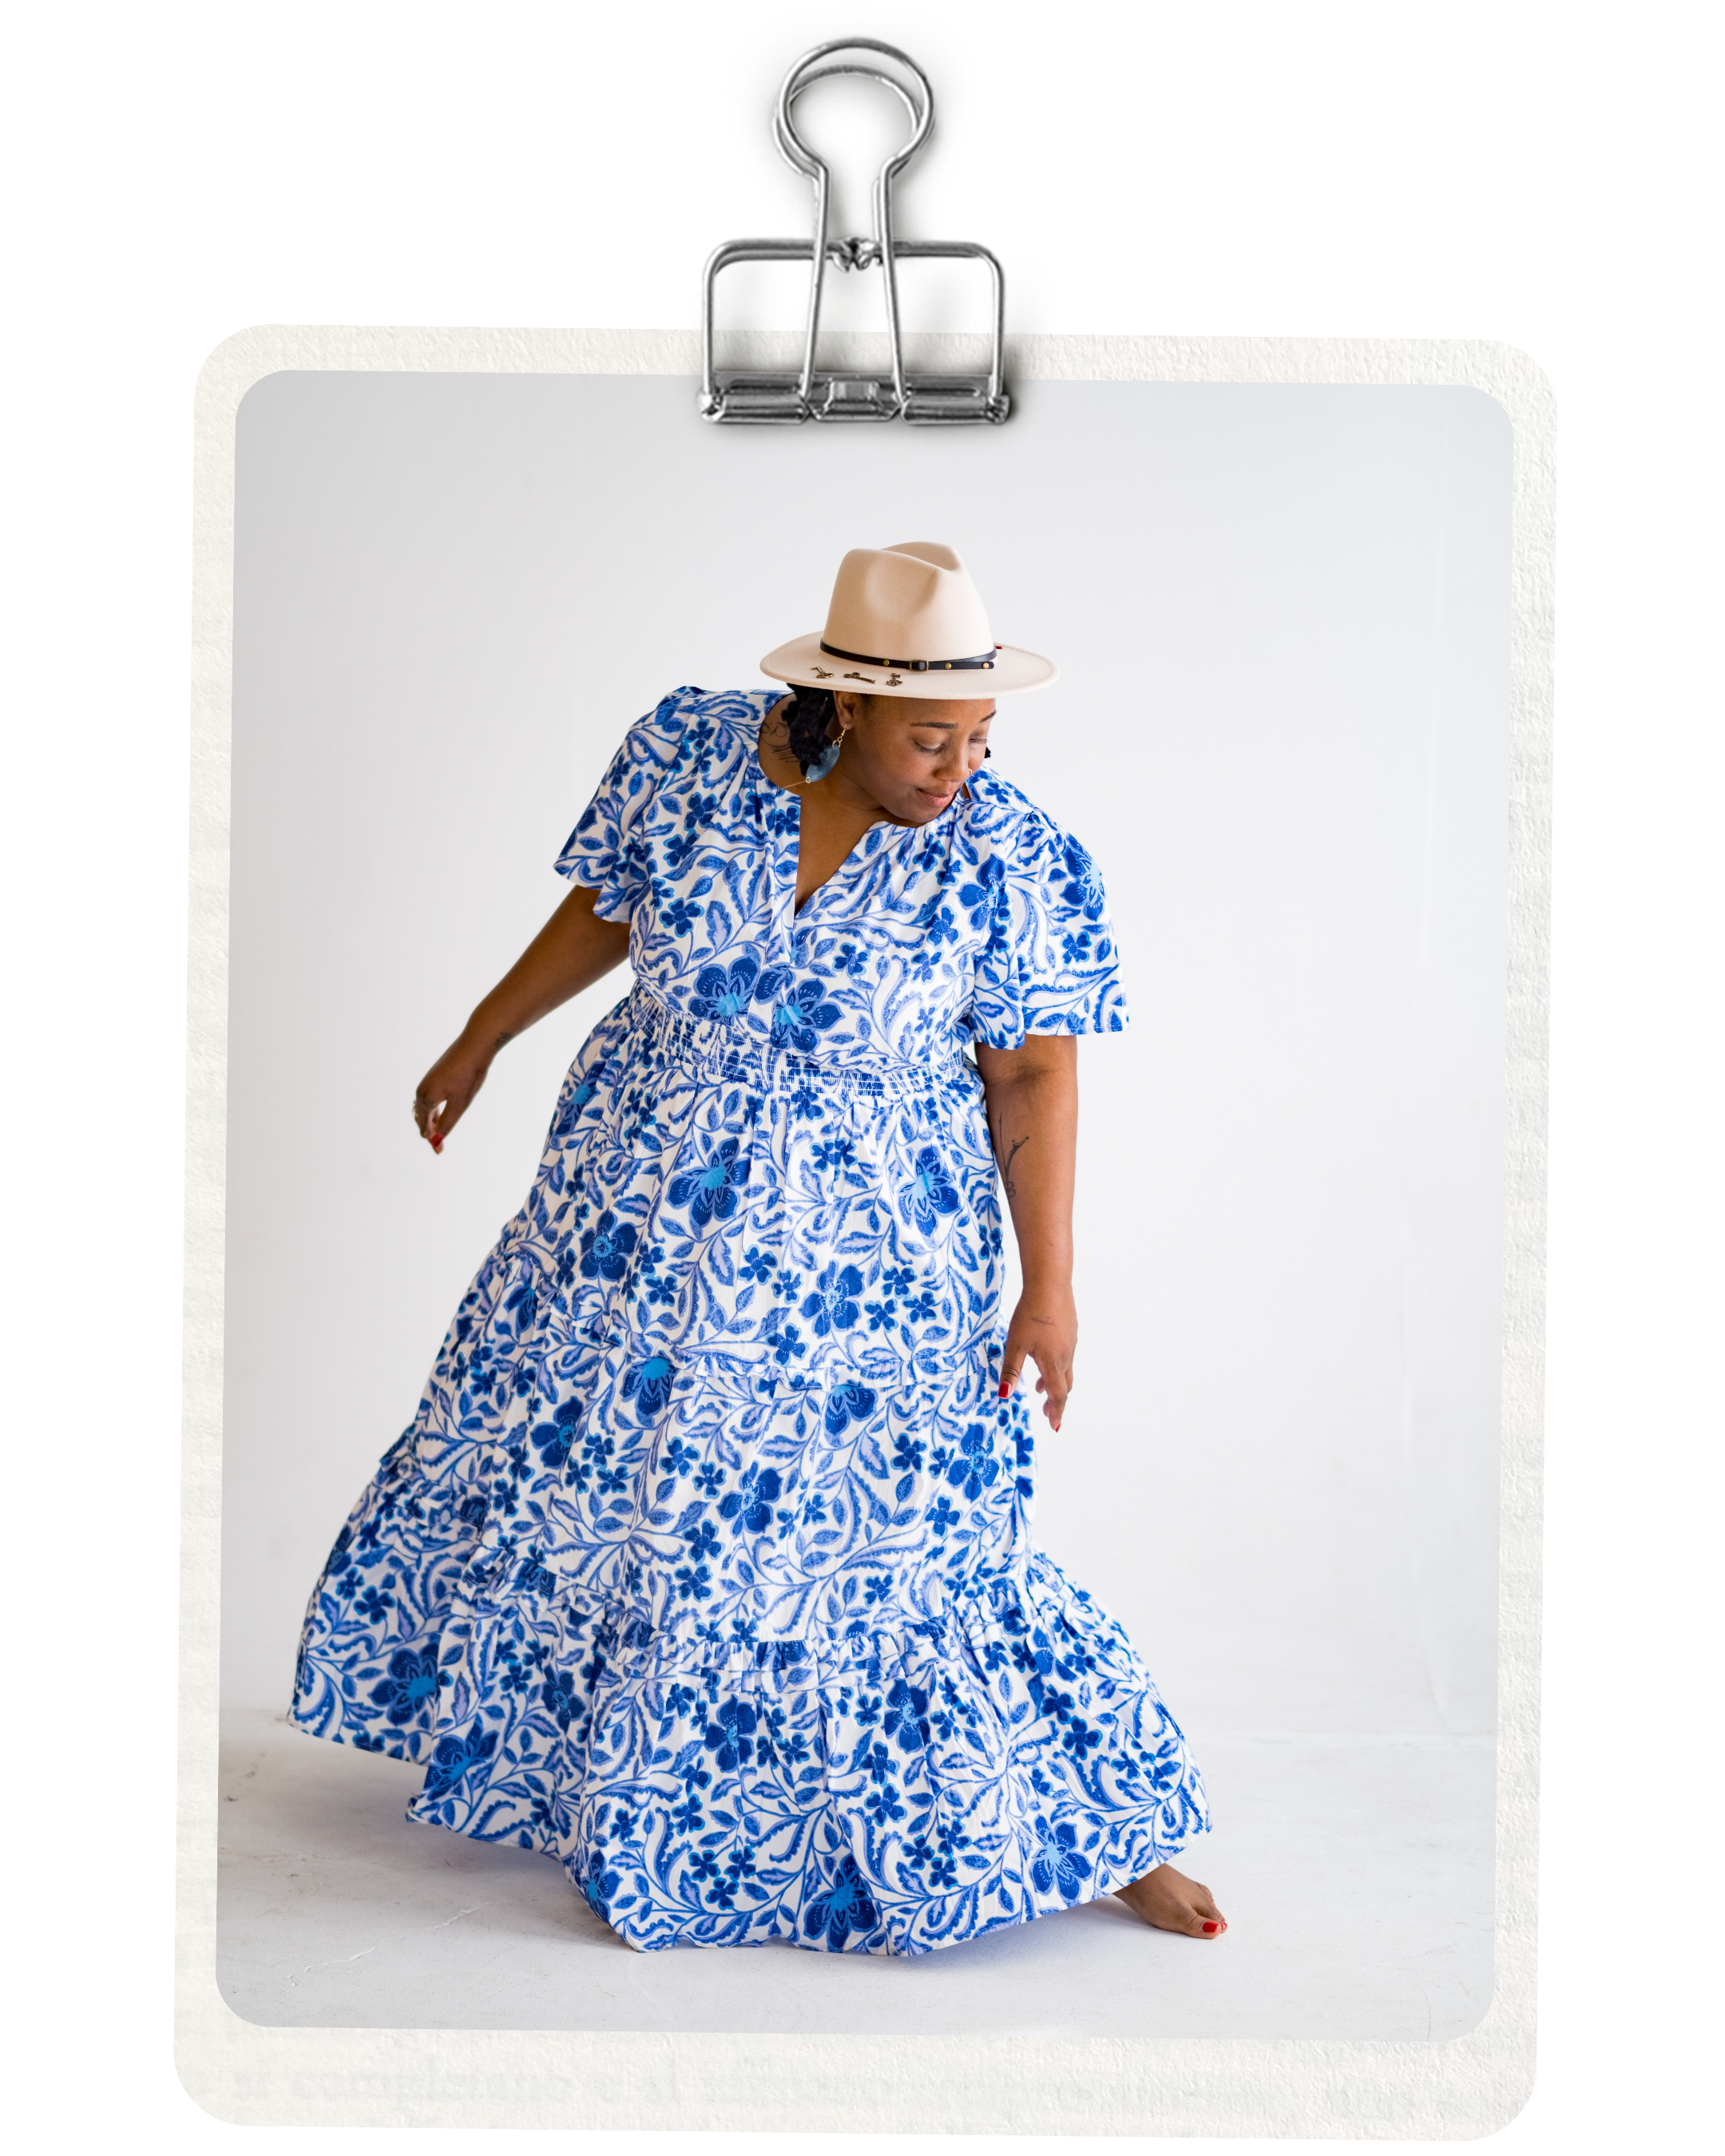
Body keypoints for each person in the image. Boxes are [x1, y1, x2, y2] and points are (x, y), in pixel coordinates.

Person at [291, 541, 1226, 1955]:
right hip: (630, 1221)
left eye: (981, 734)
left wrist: (1051, 1288)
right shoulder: (688, 756)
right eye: (930, 737)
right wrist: (483, 1034)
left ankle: (1090, 1834)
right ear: (845, 702)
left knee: (908, 1540)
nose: (960, 767)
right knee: (623, 1497)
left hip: (867, 1265)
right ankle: (615, 1797)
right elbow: (608, 911)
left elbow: (1035, 1070)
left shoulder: (1009, 854)